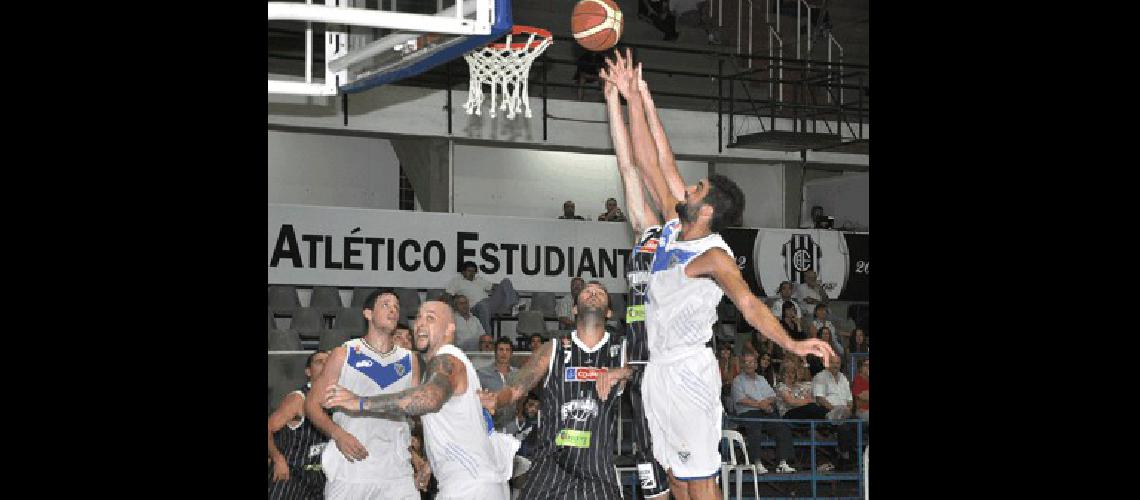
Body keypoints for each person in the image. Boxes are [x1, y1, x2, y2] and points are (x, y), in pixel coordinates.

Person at [599, 49, 834, 499]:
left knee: (701, 481)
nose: (686, 186)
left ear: (706, 210)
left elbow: (747, 303)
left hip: (689, 369)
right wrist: (635, 97)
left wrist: (792, 342)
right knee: (675, 479)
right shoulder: (671, 228)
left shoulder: (713, 255)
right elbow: (650, 164)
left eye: (697, 189)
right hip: (658, 368)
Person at [322, 299, 515, 499]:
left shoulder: (445, 359)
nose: (420, 323)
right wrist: (431, 462)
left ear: (450, 328)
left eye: (430, 318)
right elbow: (454, 426)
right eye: (418, 318)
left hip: (469, 488)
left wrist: (359, 402)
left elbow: (429, 398)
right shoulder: (449, 365)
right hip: (477, 482)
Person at [482, 281, 631, 499]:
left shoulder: (622, 350)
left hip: (597, 468)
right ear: (574, 309)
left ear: (609, 311)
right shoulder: (553, 348)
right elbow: (516, 387)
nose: (592, 293)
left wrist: (621, 372)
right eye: (587, 291)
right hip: (551, 465)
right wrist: (496, 399)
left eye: (599, 292)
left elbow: (649, 369)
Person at [304, 289, 425, 500]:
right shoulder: (345, 354)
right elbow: (312, 405)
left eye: (396, 306)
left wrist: (421, 457)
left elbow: (416, 413)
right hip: (352, 469)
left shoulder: (409, 360)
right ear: (368, 313)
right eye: (386, 304)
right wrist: (338, 435)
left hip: (396, 473)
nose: (393, 310)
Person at [269, 351, 331, 499]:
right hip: (292, 473)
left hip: (324, 476)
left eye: (328, 361)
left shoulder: (340, 398)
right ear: (308, 372)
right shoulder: (298, 399)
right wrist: (277, 459)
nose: (325, 364)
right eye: (319, 361)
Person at [731, 352, 797, 474]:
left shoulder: (762, 379)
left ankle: (783, 463)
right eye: (747, 362)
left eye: (752, 362)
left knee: (782, 426)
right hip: (747, 413)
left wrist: (765, 403)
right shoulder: (737, 380)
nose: (750, 365)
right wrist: (760, 404)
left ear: (756, 364)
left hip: (764, 411)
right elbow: (741, 399)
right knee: (755, 427)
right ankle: (756, 463)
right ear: (742, 365)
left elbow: (772, 396)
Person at [812, 354, 858, 471]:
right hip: (828, 413)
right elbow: (820, 399)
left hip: (845, 414)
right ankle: (846, 457)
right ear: (827, 363)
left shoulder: (843, 378)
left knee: (855, 423)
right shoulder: (820, 377)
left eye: (837, 363)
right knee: (844, 424)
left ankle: (845, 455)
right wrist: (835, 409)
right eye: (832, 362)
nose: (835, 365)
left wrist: (846, 410)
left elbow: (850, 400)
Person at [477, 337, 519, 429]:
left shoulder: (518, 374)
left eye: (507, 350)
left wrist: (520, 417)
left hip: (513, 427)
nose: (504, 353)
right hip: (490, 427)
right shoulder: (482, 374)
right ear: (495, 352)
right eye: (501, 349)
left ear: (511, 354)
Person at [445, 262, 495, 333]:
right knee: (483, 306)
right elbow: (448, 295)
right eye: (469, 271)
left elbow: (493, 287)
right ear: (463, 272)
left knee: (506, 282)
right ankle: (487, 336)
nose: (472, 274)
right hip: (475, 307)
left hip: (489, 303)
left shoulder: (479, 279)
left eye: (473, 271)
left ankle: (513, 307)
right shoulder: (457, 281)